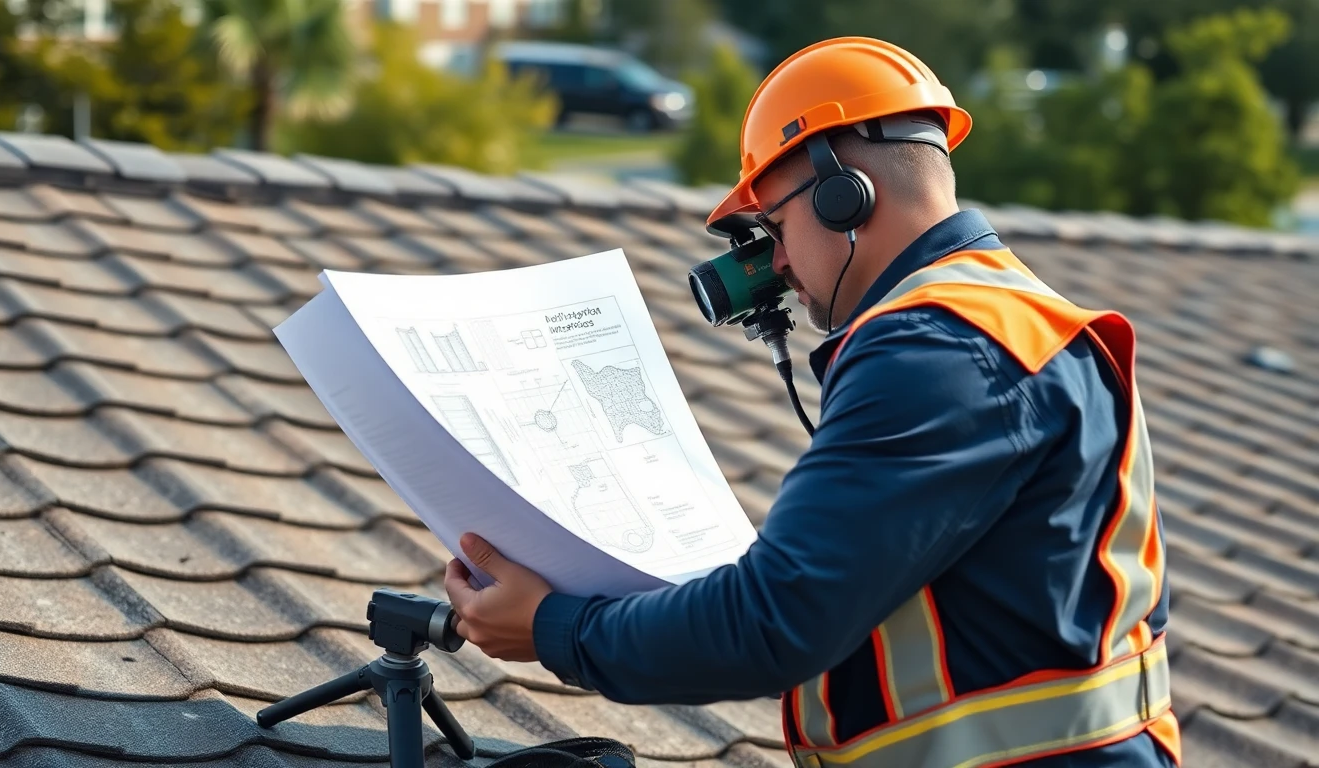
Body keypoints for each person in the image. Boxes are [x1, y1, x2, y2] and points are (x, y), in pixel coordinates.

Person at [444, 36, 1181, 768]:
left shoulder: (935, 352)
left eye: (775, 227)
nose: (778, 261)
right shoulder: (1005, 317)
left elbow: (776, 621)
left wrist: (555, 629)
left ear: (844, 195)